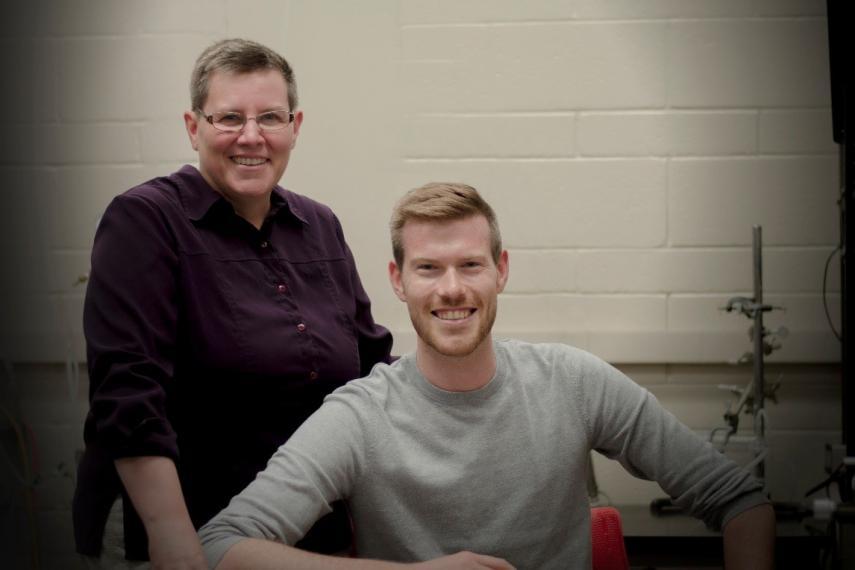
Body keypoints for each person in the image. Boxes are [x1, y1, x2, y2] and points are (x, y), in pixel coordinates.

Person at [198, 182, 776, 570]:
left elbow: (741, 501)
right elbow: (222, 544)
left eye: (470, 264)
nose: (451, 288)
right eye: (428, 268)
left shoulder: (572, 381)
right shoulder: (359, 414)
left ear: (500, 270)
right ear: (398, 281)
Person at [73, 38, 392, 568]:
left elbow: (371, 368)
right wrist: (173, 537)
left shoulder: (320, 226)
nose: (251, 136)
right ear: (193, 126)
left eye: (270, 117)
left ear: (296, 125)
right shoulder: (145, 221)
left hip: (307, 530)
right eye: (229, 118)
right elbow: (127, 395)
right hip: (179, 530)